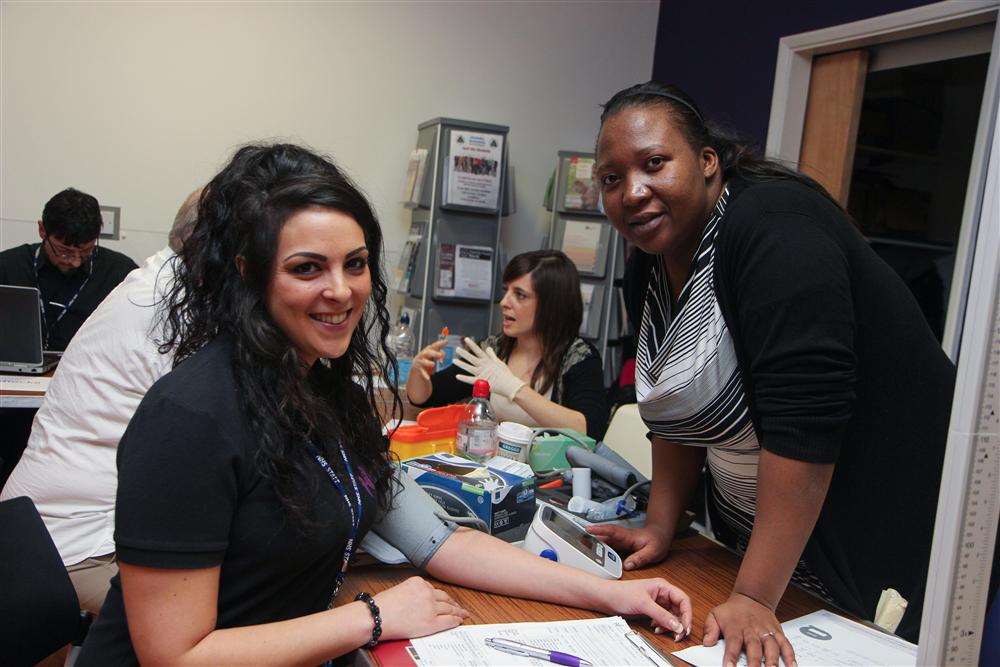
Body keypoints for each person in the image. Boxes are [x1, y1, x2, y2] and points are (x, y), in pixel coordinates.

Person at [77, 144, 692, 665]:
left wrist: (609, 594)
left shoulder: (327, 395)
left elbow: (439, 542)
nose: (340, 291)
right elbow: (175, 655)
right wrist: (373, 617)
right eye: (306, 268)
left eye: (356, 264)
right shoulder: (189, 417)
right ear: (249, 273)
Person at [586, 81, 956, 666]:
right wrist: (660, 525)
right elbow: (674, 410)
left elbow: (804, 422)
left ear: (708, 162)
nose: (633, 191)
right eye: (611, 179)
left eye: (655, 163)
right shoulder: (652, 266)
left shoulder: (776, 229)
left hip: (868, 539)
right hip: (758, 550)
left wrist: (756, 594)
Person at [1, 188, 201, 618]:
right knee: (195, 614)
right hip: (72, 543)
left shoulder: (138, 277)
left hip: (40, 519)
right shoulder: (170, 304)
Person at [406, 250, 610, 440]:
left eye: (520, 295)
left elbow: (589, 430)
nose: (504, 302)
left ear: (551, 305)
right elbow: (428, 397)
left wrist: (515, 388)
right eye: (506, 292)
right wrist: (418, 372)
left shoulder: (578, 357)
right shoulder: (495, 348)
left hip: (552, 474)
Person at [0, 187, 138, 351]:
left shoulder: (119, 272)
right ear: (42, 230)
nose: (76, 262)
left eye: (86, 251)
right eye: (65, 251)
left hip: (89, 372)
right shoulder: (8, 266)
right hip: (16, 371)